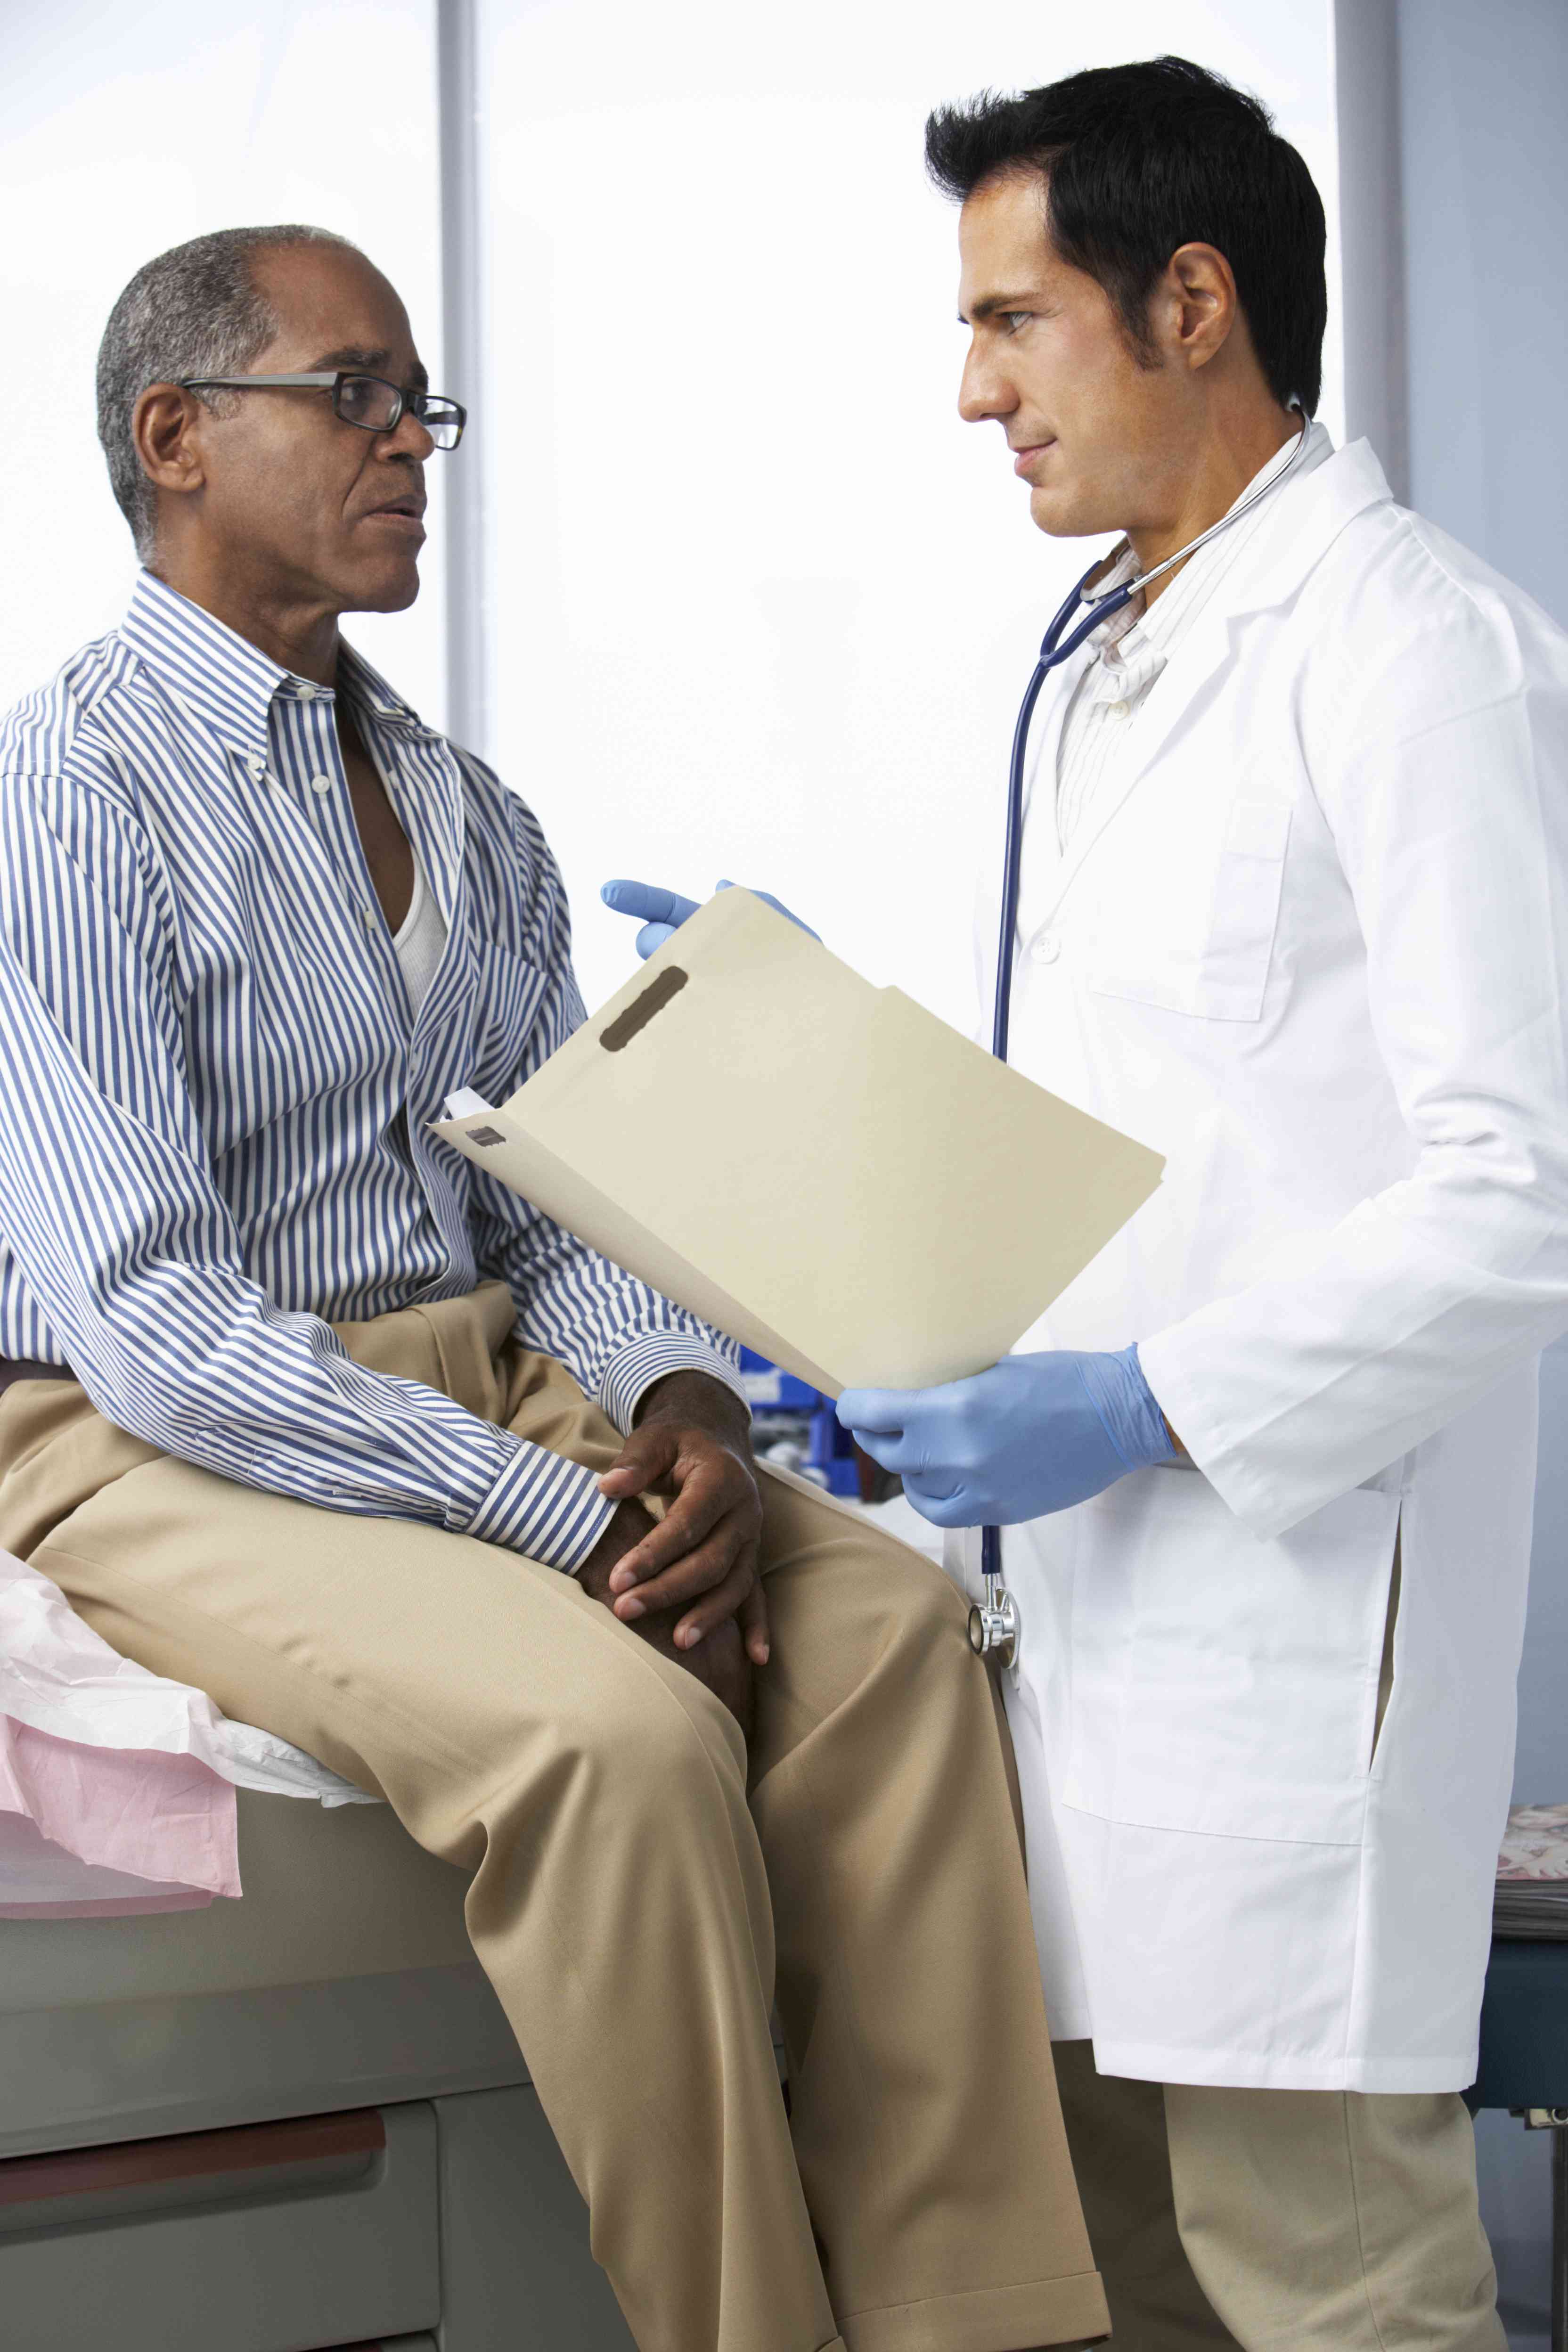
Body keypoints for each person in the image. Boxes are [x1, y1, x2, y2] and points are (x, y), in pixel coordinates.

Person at [0, 226, 1111, 2352]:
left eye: (421, 399)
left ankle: (983, 2319)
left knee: (882, 1628)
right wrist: (554, 1508)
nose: (410, 439)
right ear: (174, 438)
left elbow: (548, 1205)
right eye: (353, 395)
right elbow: (150, 1317)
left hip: (473, 1372)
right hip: (151, 1426)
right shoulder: (61, 798)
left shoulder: (461, 808)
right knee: (619, 1736)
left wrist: (678, 1410)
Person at [606, 55, 1568, 2352]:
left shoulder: (1408, 647)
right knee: (1126, 2295)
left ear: (1194, 304)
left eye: (1012, 320)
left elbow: (1524, 1192)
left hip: (1277, 1644)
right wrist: (808, 1064)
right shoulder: (1105, 663)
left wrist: (1137, 1403)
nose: (972, 391)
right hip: (1071, 1673)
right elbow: (1146, 1126)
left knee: (1326, 2288)